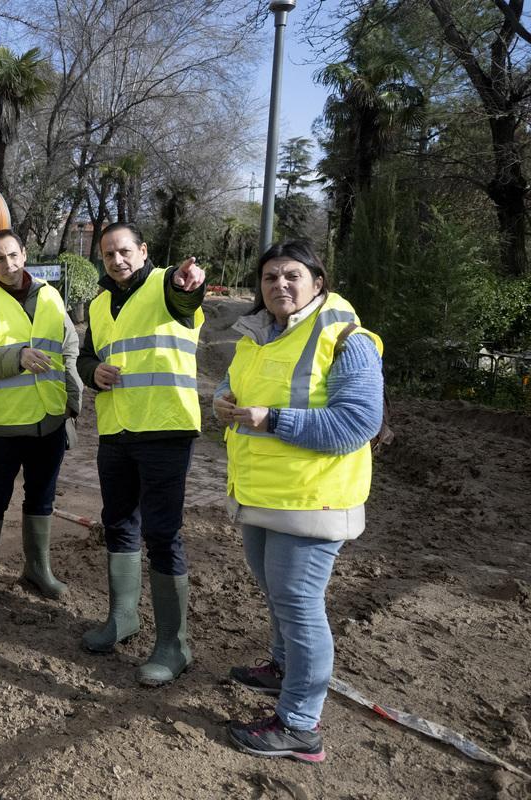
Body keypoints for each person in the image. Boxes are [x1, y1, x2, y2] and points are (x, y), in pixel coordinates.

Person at [214, 240, 384, 763]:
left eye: (292, 275)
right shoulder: (259, 334)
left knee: (300, 606)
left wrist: (273, 420)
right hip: (262, 492)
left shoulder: (346, 338)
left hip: (312, 499)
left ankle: (299, 725)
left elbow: (357, 423)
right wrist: (222, 400)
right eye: (270, 277)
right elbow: (235, 385)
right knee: (277, 594)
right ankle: (282, 668)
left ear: (318, 282)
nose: (279, 285)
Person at [76, 222, 206, 686]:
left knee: (162, 533)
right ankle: (123, 618)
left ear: (143, 250)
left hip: (165, 427)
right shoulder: (98, 304)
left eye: (124, 251)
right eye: (109, 254)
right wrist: (93, 372)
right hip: (116, 430)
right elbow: (85, 356)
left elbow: (187, 297)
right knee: (118, 523)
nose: (117, 260)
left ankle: (174, 645)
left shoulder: (167, 284)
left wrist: (189, 284)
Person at [0, 229, 83, 610]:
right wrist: (18, 356)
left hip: (50, 418)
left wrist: (72, 401)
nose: (8, 264)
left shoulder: (49, 294)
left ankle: (37, 569)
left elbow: (69, 347)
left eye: (13, 255)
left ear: (25, 254)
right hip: (4, 424)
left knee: (42, 496)